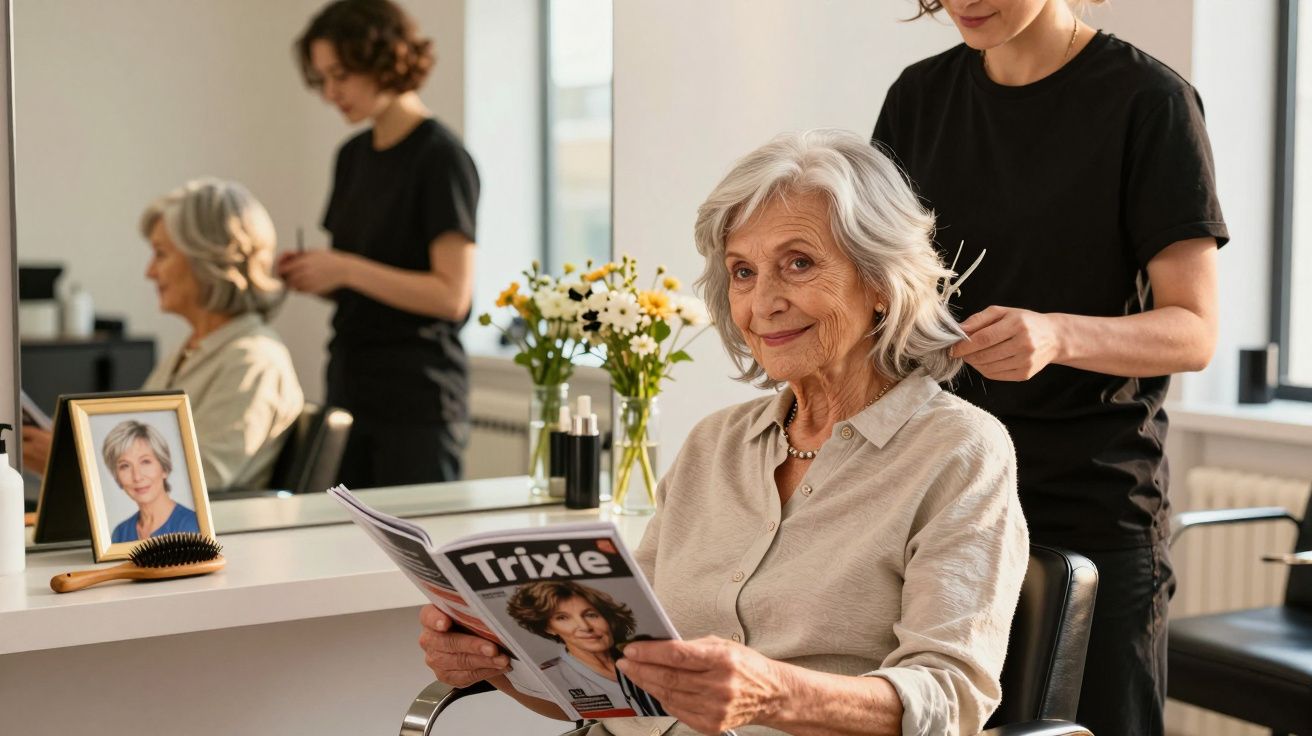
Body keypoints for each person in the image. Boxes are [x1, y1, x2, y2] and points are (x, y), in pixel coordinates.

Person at [419, 130, 1030, 735]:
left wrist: (773, 695)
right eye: (742, 272)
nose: (763, 303)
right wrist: (505, 663)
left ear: (879, 281)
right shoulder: (714, 445)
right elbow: (615, 685)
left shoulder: (959, 451)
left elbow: (951, 700)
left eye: (799, 263)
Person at [870, 2, 1227, 733]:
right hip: (939, 488)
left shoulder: (1149, 103)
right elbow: (882, 282)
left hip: (1087, 501)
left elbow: (1193, 331)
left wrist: (1059, 336)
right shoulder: (917, 99)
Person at [283, 0, 480, 488]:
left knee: (417, 558)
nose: (331, 93)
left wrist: (345, 269)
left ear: (384, 60)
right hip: (351, 385)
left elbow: (451, 296)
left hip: (417, 401)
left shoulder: (441, 158)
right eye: (322, 79)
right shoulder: (351, 157)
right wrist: (316, 273)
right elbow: (362, 280)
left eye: (341, 75)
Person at [23, 179, 305, 492]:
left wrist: (71, 462)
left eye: (161, 254)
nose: (150, 272)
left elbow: (201, 479)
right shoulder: (192, 349)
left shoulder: (254, 360)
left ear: (206, 260)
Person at [507, 581, 639, 718]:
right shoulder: (551, 675)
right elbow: (569, 715)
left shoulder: (643, 657)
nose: (585, 627)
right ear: (548, 627)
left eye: (591, 615)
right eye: (562, 618)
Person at [103, 420, 199, 543]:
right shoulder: (120, 533)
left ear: (164, 468)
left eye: (145, 462)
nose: (137, 477)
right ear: (117, 476)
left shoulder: (193, 525)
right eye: (125, 466)